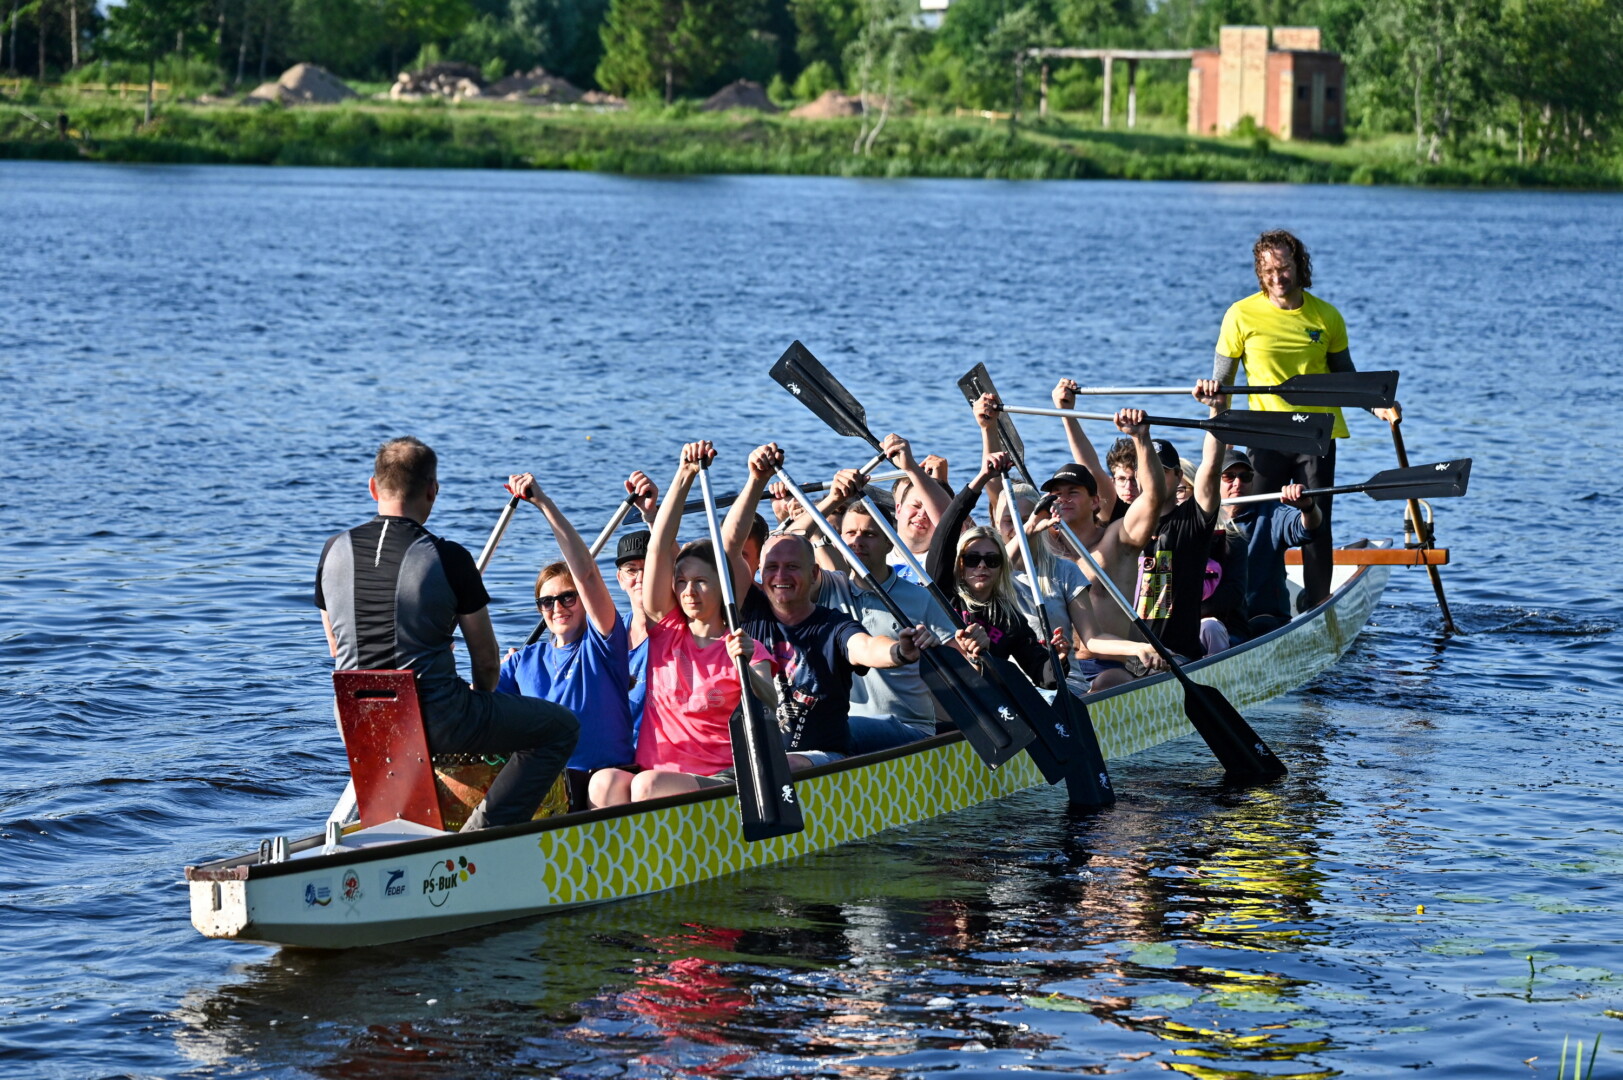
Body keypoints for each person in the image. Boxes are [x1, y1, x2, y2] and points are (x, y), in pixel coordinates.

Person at [315, 437, 578, 831]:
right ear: (432, 491)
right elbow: (487, 661)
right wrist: (484, 704)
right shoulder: (449, 557)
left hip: (355, 717)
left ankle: (395, 832)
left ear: (373, 488)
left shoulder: (331, 550)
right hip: (436, 715)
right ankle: (483, 835)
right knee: (561, 727)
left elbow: (337, 646)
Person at [1213, 229, 1401, 610]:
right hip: (1264, 434)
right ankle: (1244, 601)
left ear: (1299, 266)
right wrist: (1224, 434)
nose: (1277, 278)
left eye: (1283, 269)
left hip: (1315, 435)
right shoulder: (1240, 314)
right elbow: (1222, 384)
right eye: (1268, 272)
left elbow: (1344, 376)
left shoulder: (1326, 316)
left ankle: (1318, 605)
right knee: (1251, 518)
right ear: (1259, 273)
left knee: (1317, 521)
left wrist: (1376, 405)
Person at [725, 443, 941, 766]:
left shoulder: (834, 625)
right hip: (768, 756)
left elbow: (866, 647)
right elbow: (729, 546)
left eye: (792, 568)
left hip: (821, 758)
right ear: (758, 571)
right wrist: (756, 481)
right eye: (771, 568)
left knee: (780, 762)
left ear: (814, 574)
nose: (780, 576)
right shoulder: (751, 605)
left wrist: (899, 652)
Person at [590, 442, 776, 807]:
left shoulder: (742, 645)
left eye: (701, 582)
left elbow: (771, 701)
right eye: (681, 582)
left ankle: (648, 857)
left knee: (645, 787)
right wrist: (683, 475)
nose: (689, 591)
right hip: (654, 775)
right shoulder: (667, 630)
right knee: (603, 782)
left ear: (721, 587)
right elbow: (657, 548)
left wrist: (747, 668)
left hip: (718, 777)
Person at [991, 389, 1166, 691]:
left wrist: (1141, 439)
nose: (1064, 499)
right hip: (1048, 663)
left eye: (1074, 493)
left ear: (1095, 502)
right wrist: (987, 428)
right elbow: (998, 498)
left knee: (1110, 681)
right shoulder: (1040, 539)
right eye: (1057, 494)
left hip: (1106, 665)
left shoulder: (1116, 541)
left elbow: (1153, 497)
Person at [496, 472, 635, 812]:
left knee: (602, 787)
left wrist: (543, 503)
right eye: (547, 601)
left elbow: (587, 572)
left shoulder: (603, 646)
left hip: (603, 781)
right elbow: (485, 713)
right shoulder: (520, 663)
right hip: (549, 783)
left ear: (583, 601)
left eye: (568, 598)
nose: (557, 607)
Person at [810, 480, 963, 753]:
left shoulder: (921, 597)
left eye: (868, 534)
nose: (857, 541)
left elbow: (961, 660)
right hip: (843, 724)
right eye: (850, 533)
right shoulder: (828, 587)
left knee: (821, 729)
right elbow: (785, 542)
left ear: (888, 539)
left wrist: (972, 645)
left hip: (908, 727)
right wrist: (832, 498)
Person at [926, 451, 1068, 690]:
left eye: (991, 560)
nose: (981, 565)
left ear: (1001, 567)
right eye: (972, 559)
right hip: (935, 693)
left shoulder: (1010, 619)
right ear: (959, 563)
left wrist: (1058, 659)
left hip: (985, 703)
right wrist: (981, 479)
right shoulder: (942, 589)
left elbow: (1045, 677)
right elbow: (946, 530)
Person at [1134, 381, 1227, 664]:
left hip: (1180, 656)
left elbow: (1210, 468)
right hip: (1132, 654)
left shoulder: (1192, 519)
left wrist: (1217, 408)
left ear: (1177, 476)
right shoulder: (1126, 521)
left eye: (1162, 471)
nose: (1154, 478)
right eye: (1147, 471)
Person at [1220, 449, 1322, 636]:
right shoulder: (1203, 517)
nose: (1238, 483)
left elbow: (1307, 529)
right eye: (1229, 477)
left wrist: (1308, 507)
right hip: (1218, 621)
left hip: (1264, 621)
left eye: (1245, 477)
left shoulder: (1272, 512)